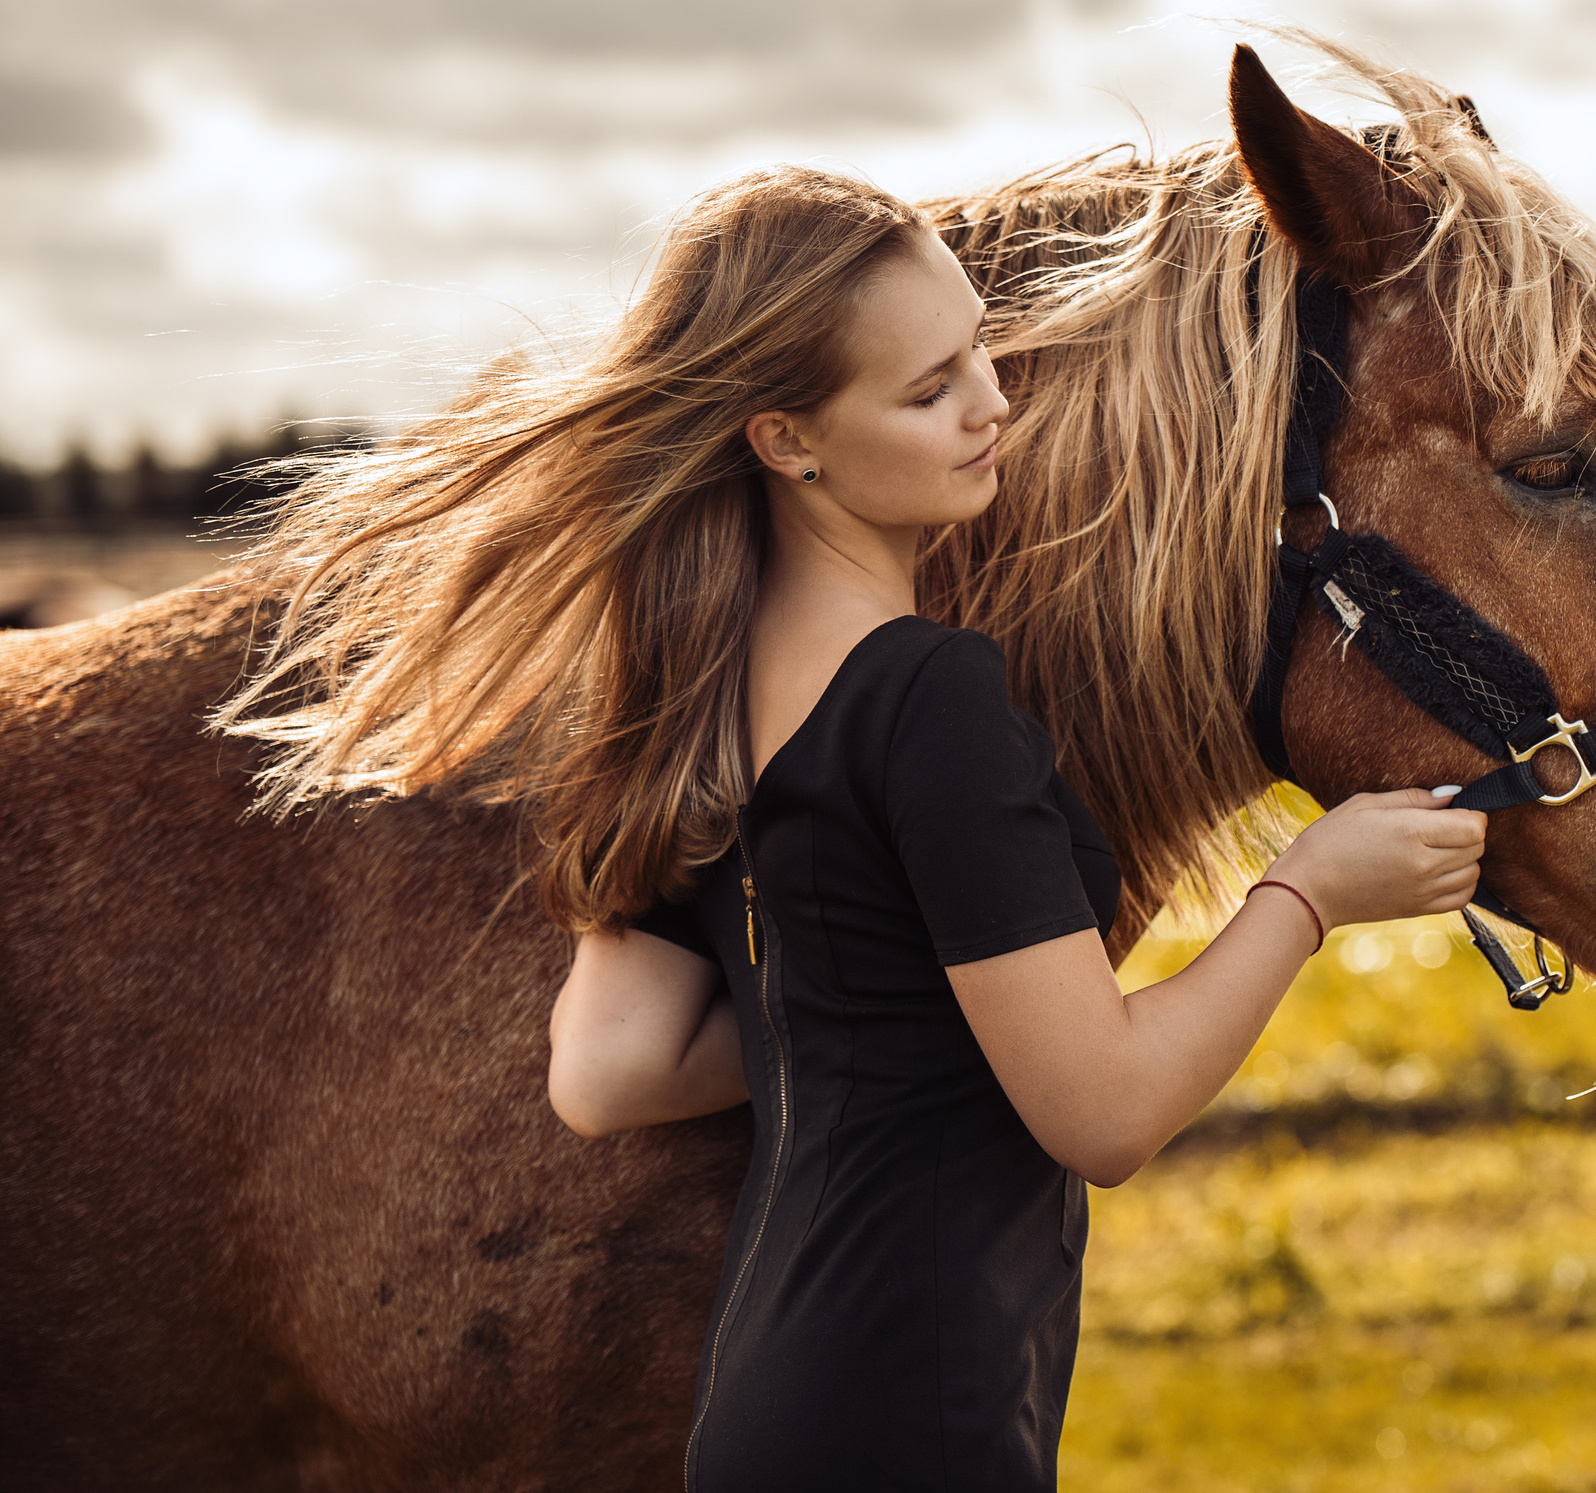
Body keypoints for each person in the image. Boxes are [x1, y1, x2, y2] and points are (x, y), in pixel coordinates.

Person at [219, 165, 1483, 1493]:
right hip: (916, 1412)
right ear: (786, 440)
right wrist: (1309, 891)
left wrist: (911, 1002)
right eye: (927, 391)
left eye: (978, 355)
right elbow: (1105, 1113)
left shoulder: (698, 693)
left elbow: (612, 1065)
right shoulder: (930, 697)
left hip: (767, 1410)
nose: (991, 405)